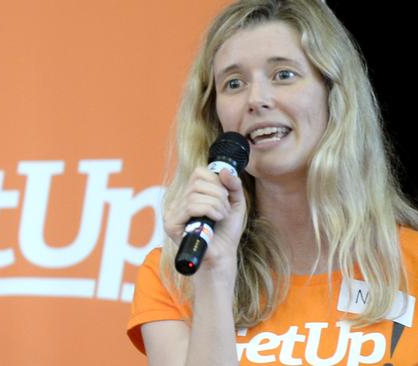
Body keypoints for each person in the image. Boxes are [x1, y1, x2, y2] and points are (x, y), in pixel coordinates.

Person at [126, 0, 418, 365]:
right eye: (234, 83)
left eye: (283, 74)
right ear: (214, 116)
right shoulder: (176, 274)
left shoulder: (412, 260)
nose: (257, 100)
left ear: (334, 93)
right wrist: (215, 274)